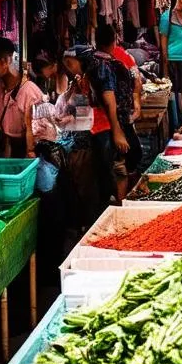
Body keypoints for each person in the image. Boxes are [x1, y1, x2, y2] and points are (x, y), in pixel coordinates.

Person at [59, 44, 129, 230]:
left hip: (106, 127)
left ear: (81, 60)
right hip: (92, 128)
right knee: (97, 172)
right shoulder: (83, 75)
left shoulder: (101, 71)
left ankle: (118, 212)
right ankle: (100, 216)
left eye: (69, 62)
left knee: (111, 170)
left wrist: (117, 132)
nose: (67, 66)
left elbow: (110, 102)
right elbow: (83, 104)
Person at [96, 24, 143, 201]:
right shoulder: (119, 60)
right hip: (118, 122)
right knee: (124, 161)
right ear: (115, 39)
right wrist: (136, 102)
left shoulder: (91, 61)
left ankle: (116, 200)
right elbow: (136, 83)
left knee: (111, 165)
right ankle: (121, 201)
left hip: (100, 125)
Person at [0, 36, 44, 157]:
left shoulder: (30, 92)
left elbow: (39, 135)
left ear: (5, 62)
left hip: (30, 157)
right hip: (7, 156)